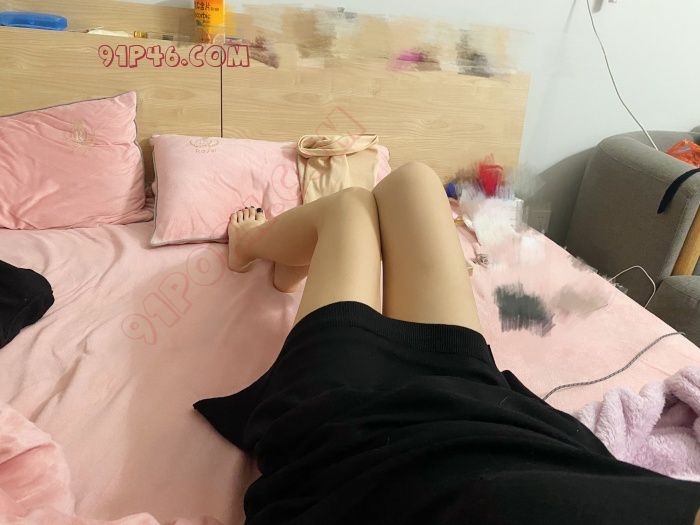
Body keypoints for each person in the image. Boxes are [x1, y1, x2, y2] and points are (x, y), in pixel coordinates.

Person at [195, 162, 700, 525]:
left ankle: (250, 245)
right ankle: (290, 265)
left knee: (349, 210)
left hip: (353, 442)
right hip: (478, 408)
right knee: (414, 180)